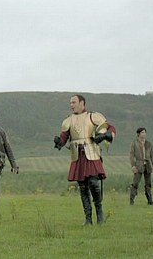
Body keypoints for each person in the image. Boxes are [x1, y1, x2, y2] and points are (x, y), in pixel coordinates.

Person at [53, 94, 115, 225]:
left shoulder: (93, 116)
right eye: (70, 103)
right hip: (77, 155)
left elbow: (110, 128)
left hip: (91, 154)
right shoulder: (68, 120)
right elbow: (64, 137)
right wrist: (59, 142)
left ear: (82, 103)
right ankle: (88, 218)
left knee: (94, 184)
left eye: (74, 102)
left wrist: (105, 136)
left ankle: (99, 213)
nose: (71, 105)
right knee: (83, 187)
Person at [129, 127, 153, 205]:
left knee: (148, 184)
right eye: (142, 132)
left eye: (145, 132)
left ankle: (150, 201)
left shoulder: (148, 143)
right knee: (135, 183)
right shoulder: (134, 143)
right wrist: (133, 166)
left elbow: (152, 155)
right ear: (138, 134)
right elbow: (131, 155)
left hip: (147, 165)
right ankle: (132, 200)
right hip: (138, 164)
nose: (144, 134)